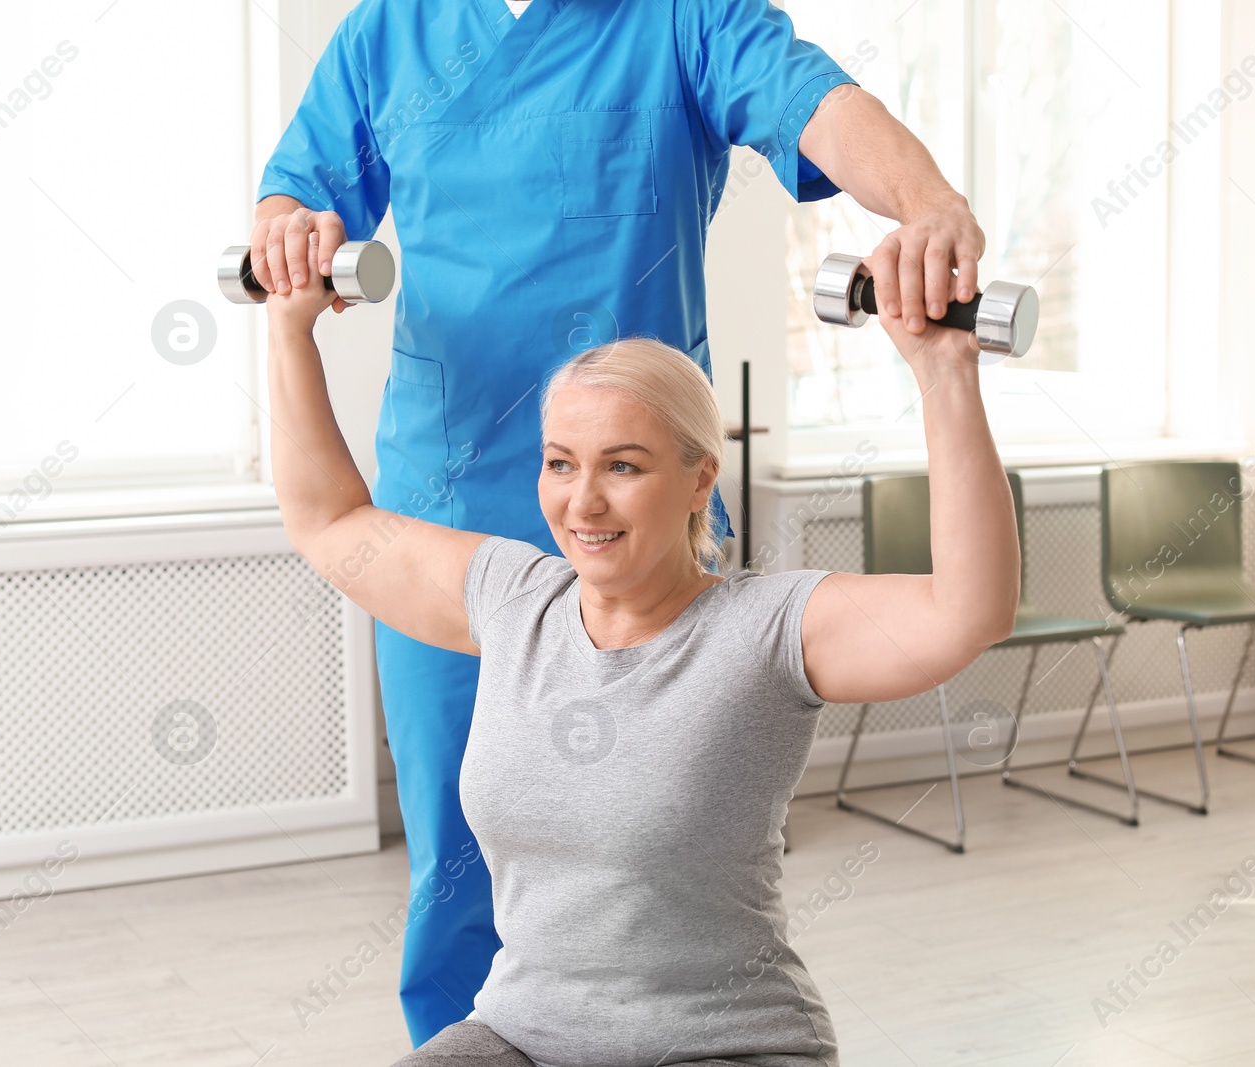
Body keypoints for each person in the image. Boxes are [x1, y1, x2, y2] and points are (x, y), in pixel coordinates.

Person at [251, 0, 988, 1044]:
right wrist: (288, 235)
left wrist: (926, 205)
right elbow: (298, 197)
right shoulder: (390, 31)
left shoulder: (681, 18)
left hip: (643, 515)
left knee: (660, 850)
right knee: (461, 867)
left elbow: (816, 104)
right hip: (448, 509)